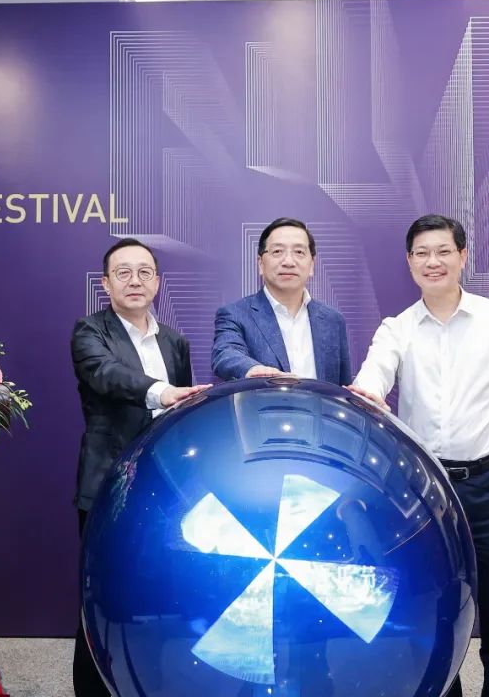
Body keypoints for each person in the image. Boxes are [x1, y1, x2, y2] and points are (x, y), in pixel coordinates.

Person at [350, 214, 489, 697]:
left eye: (443, 251)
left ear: (463, 256)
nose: (433, 262)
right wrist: (367, 392)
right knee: (436, 609)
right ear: (409, 262)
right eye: (422, 253)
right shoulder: (397, 328)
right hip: (427, 491)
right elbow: (374, 374)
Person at [70, 237, 209, 696]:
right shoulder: (90, 331)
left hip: (161, 487)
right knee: (100, 598)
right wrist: (160, 392)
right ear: (106, 283)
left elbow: (182, 413)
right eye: (123, 272)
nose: (135, 280)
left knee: (159, 595)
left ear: (157, 282)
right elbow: (106, 375)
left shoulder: (174, 341)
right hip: (108, 485)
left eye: (144, 272)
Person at [212, 218, 351, 384]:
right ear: (261, 264)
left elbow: (342, 388)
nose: (288, 262)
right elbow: (226, 353)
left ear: (312, 265)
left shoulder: (333, 320)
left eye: (299, 252)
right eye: (277, 251)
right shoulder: (235, 314)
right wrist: (254, 370)